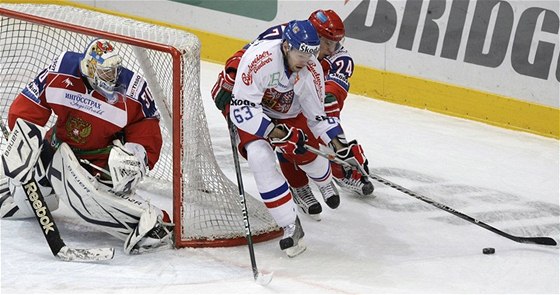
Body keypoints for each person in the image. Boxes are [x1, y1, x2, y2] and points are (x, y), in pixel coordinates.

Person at [0, 38, 173, 255]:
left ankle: (152, 221)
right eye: (106, 72)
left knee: (87, 202)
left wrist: (136, 156)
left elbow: (146, 129)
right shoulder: (62, 69)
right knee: (20, 204)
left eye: (115, 70)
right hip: (56, 147)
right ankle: (25, 186)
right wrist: (23, 142)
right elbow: (29, 106)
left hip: (102, 162)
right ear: (90, 69)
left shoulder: (133, 89)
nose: (114, 76)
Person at [224, 20, 370, 257]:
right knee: (259, 157)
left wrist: (338, 144)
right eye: (300, 53)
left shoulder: (311, 69)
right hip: (257, 109)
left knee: (306, 152)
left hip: (288, 109)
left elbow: (317, 116)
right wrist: (276, 133)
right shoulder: (258, 60)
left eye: (311, 53)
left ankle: (324, 180)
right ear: (285, 47)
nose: (305, 59)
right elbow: (242, 110)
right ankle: (290, 225)